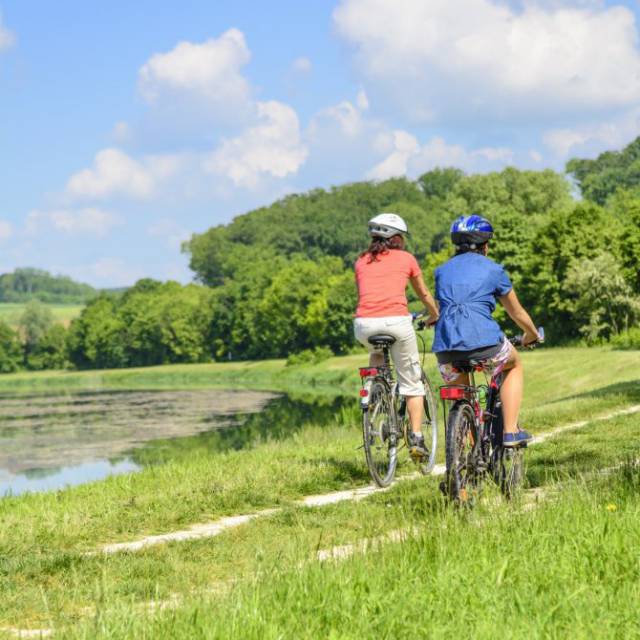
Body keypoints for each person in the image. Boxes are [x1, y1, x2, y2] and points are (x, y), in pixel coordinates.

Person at [432, 214, 542, 446]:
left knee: (461, 397)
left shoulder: (441, 272)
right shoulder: (493, 270)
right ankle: (511, 432)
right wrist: (531, 334)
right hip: (486, 345)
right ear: (486, 245)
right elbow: (517, 312)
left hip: (446, 349)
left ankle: (462, 468)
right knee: (513, 365)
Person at [354, 212, 439, 459]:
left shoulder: (361, 261)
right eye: (402, 237)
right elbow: (423, 294)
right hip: (396, 323)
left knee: (377, 354)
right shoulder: (406, 259)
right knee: (412, 382)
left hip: (363, 325)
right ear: (395, 238)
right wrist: (434, 314)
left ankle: (374, 392)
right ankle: (416, 438)